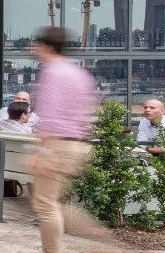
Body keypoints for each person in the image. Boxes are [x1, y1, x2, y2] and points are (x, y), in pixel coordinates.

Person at [30, 26, 100, 253]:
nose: (33, 49)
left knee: (45, 204)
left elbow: (50, 114)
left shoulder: (53, 72)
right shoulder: (79, 73)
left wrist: (45, 151)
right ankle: (99, 239)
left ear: (47, 47)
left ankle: (93, 243)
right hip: (77, 144)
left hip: (58, 144)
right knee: (52, 201)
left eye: (36, 44)